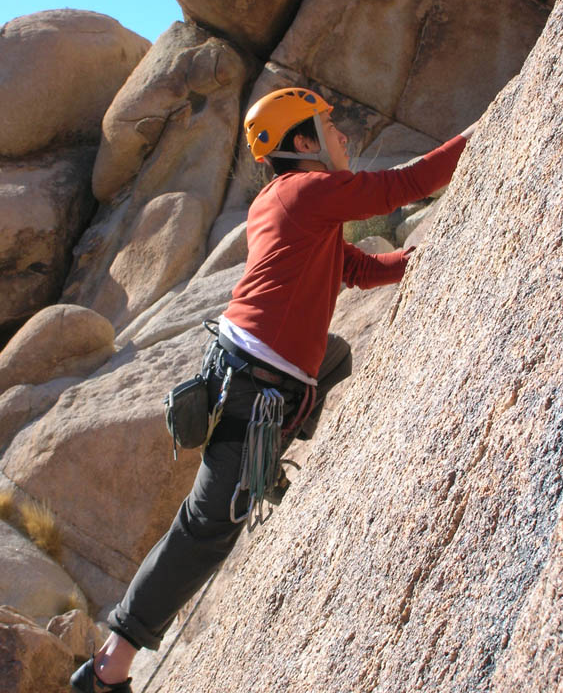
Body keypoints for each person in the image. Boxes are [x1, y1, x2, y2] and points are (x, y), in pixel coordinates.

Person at [70, 88, 477, 692]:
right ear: (303, 143)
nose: (342, 138)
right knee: (205, 529)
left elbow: (351, 268)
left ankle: (269, 456)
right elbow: (406, 184)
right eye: (330, 129)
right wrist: (488, 128)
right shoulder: (309, 190)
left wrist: (416, 259)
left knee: (334, 355)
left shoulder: (279, 200)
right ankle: (108, 669)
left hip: (251, 374)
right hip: (256, 387)